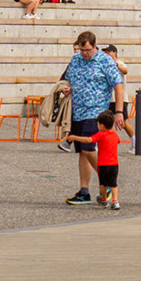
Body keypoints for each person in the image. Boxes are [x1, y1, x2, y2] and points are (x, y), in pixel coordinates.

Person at [59, 31, 125, 206]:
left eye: (87, 50)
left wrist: (119, 112)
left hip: (96, 112)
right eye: (81, 50)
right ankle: (84, 191)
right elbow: (70, 80)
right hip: (77, 111)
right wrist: (68, 89)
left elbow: (118, 85)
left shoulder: (105, 61)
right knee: (82, 152)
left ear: (95, 46)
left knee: (89, 148)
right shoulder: (76, 60)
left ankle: (107, 183)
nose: (84, 54)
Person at [67, 109, 128, 209]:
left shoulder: (100, 134)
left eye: (98, 124)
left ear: (102, 125)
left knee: (103, 184)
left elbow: (88, 140)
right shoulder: (115, 135)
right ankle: (115, 201)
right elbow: (118, 141)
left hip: (103, 164)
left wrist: (74, 137)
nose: (97, 126)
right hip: (114, 164)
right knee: (113, 184)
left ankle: (104, 199)